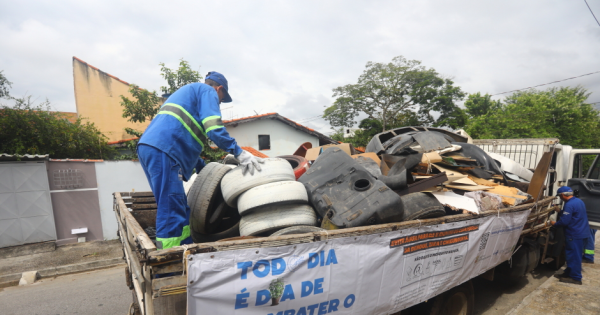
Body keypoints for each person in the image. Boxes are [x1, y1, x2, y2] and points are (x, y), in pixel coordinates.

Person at [137, 72, 264, 249]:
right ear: (219, 89)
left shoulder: (191, 95)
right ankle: (169, 261)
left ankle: (187, 250)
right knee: (171, 208)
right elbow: (213, 129)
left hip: (158, 148)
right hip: (165, 149)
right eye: (221, 99)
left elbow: (187, 136)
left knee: (179, 206)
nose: (218, 103)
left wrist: (204, 168)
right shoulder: (207, 91)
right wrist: (239, 152)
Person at [550, 186, 590, 285]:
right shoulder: (578, 201)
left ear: (563, 195)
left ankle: (576, 278)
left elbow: (564, 222)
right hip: (581, 232)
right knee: (572, 256)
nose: (560, 198)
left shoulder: (569, 204)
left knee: (573, 256)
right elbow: (574, 215)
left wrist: (554, 224)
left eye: (560, 196)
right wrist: (560, 211)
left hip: (574, 234)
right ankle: (568, 273)